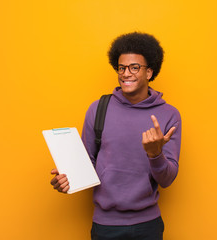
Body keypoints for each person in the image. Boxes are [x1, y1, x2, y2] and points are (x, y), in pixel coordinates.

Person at [50, 32, 182, 240]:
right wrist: (69, 180)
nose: (126, 74)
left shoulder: (169, 115)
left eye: (134, 67)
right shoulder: (98, 108)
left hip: (148, 225)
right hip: (105, 226)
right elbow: (87, 165)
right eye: (121, 68)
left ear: (149, 72)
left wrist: (155, 154)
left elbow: (167, 179)